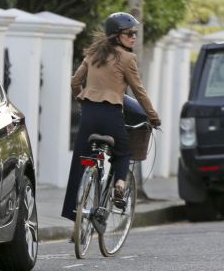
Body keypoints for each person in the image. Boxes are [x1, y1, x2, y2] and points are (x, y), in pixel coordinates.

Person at [61, 12, 161, 223]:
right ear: (117, 36)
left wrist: (83, 100)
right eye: (129, 34)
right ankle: (119, 185)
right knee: (123, 153)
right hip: (111, 115)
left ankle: (74, 215)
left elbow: (74, 82)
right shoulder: (127, 59)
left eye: (135, 33)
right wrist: (153, 117)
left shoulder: (93, 55)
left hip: (89, 116)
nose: (134, 37)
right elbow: (139, 91)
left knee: (80, 159)